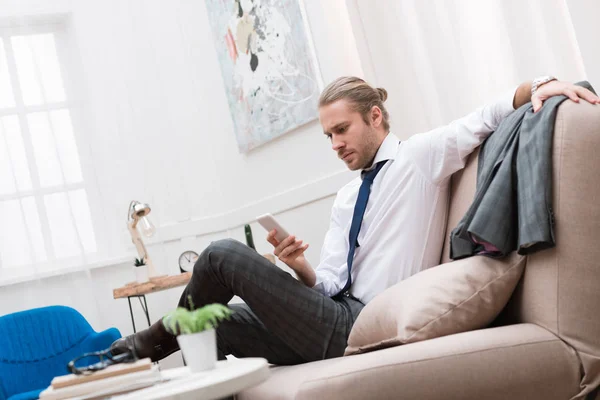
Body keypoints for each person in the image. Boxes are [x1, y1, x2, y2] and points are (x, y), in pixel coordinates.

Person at [110, 76, 599, 365]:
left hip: (359, 325)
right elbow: (325, 285)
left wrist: (542, 85)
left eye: (341, 129)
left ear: (377, 117)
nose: (335, 144)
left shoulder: (419, 159)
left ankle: (147, 344)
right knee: (215, 325)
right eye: (328, 135)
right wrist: (298, 265)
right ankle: (155, 351)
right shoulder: (348, 196)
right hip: (330, 313)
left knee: (219, 256)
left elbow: (486, 115)